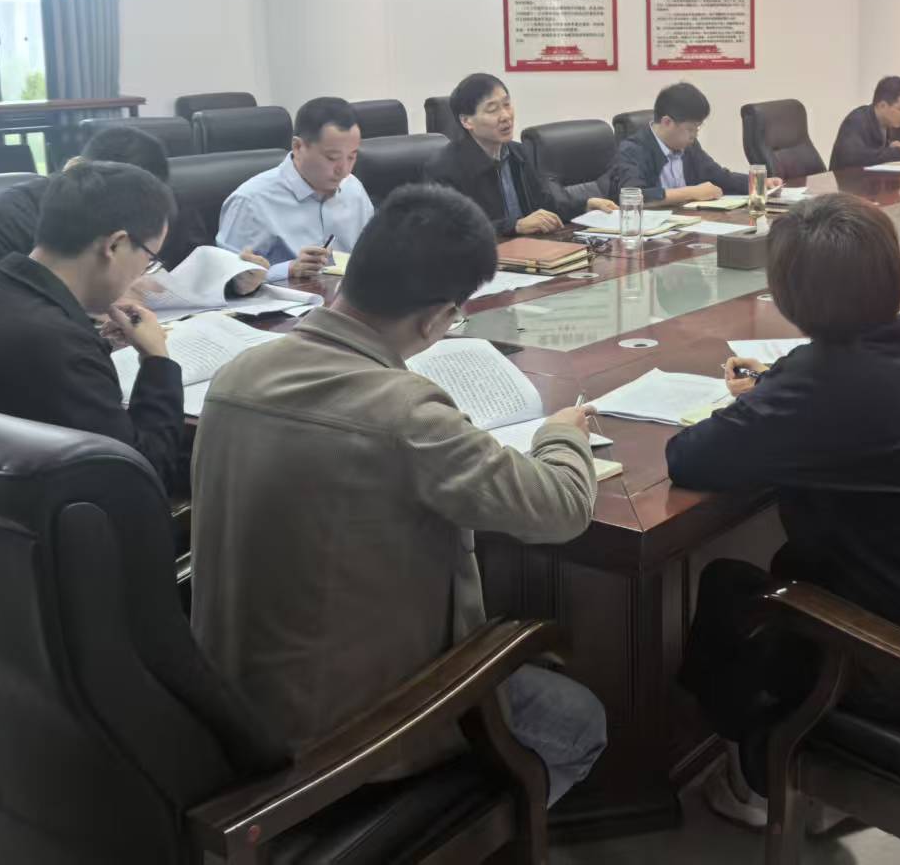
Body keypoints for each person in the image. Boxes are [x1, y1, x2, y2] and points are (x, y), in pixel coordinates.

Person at [190, 184, 606, 802]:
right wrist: (561, 434)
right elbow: (563, 508)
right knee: (579, 721)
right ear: (437, 317)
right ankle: (481, 831)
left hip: (230, 713)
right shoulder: (403, 411)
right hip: (346, 737)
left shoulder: (236, 374)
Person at [667, 195, 900, 817]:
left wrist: (770, 394)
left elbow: (689, 458)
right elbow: (836, 389)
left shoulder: (817, 386)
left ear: (788, 296)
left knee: (727, 587)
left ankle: (762, 778)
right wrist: (775, 385)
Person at [0, 161, 189, 495]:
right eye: (149, 259)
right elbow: (144, 475)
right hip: (21, 520)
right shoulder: (61, 347)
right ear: (115, 245)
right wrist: (157, 361)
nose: (143, 272)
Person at [0, 125, 268, 294]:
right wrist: (100, 298)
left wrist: (234, 280)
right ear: (77, 171)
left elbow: (196, 267)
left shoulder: (165, 202)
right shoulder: (10, 214)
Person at [423, 73, 614, 236]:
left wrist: (585, 205)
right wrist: (514, 226)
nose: (506, 116)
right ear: (467, 121)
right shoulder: (444, 168)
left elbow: (545, 203)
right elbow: (449, 231)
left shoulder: (518, 153)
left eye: (507, 105)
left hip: (528, 255)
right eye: (492, 109)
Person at [217, 96, 374, 282]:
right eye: (332, 158)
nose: (344, 170)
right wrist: (288, 269)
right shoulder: (251, 201)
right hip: (284, 300)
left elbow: (373, 254)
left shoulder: (353, 188)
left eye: (351, 157)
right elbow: (225, 280)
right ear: (298, 147)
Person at [610, 81, 779, 206]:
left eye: (698, 128)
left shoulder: (688, 145)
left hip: (687, 227)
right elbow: (633, 197)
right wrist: (692, 192)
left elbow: (718, 176)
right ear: (667, 122)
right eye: (690, 129)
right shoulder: (633, 149)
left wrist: (759, 183)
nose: (695, 135)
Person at [829, 75, 900, 170]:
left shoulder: (892, 124)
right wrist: (898, 152)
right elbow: (853, 158)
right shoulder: (856, 120)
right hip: (845, 181)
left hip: (875, 180)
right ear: (882, 105)